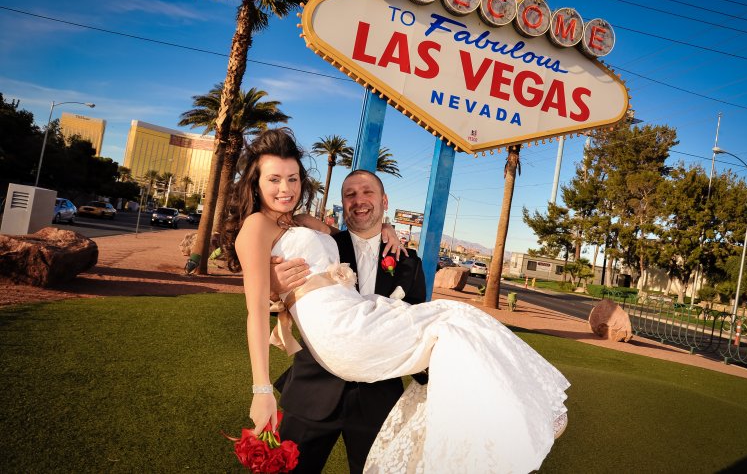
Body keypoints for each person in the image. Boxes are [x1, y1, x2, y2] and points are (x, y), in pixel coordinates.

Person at [222, 128, 570, 474]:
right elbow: (256, 311)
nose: (285, 189)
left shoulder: (322, 230)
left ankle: (519, 416)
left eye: (293, 179)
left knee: (457, 320)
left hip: (375, 391)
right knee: (457, 317)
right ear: (256, 183)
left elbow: (337, 245)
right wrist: (262, 384)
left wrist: (384, 229)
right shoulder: (256, 227)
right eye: (274, 179)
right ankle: (531, 412)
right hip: (318, 382)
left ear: (383, 201)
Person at [270, 169, 429, 473]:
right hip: (314, 389)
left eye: (367, 192)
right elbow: (280, 297)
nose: (359, 200)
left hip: (379, 400)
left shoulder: (409, 263)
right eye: (350, 194)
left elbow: (415, 324)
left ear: (384, 201)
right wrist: (273, 285)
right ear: (342, 203)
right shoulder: (320, 245)